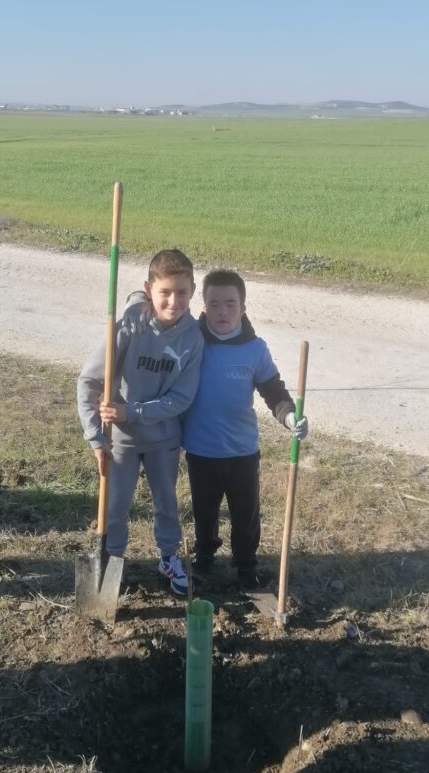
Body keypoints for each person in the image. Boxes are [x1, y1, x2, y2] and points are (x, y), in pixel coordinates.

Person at [77, 249, 204, 596]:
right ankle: (112, 562)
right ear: (149, 290)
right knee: (115, 506)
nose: (174, 301)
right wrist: (95, 437)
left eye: (182, 292)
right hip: (120, 441)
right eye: (165, 292)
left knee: (167, 503)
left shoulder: (193, 338)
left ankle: (169, 557)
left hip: (164, 439)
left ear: (193, 290)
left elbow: (181, 398)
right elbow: (88, 381)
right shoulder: (128, 327)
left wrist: (131, 411)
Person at [182, 269, 309, 590]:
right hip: (200, 449)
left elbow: (274, 391)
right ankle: (204, 556)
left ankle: (246, 565)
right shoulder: (192, 341)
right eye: (214, 304)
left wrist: (289, 417)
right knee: (204, 511)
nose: (222, 312)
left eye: (230, 304)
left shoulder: (255, 349)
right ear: (203, 306)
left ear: (243, 307)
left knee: (246, 513)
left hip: (242, 451)